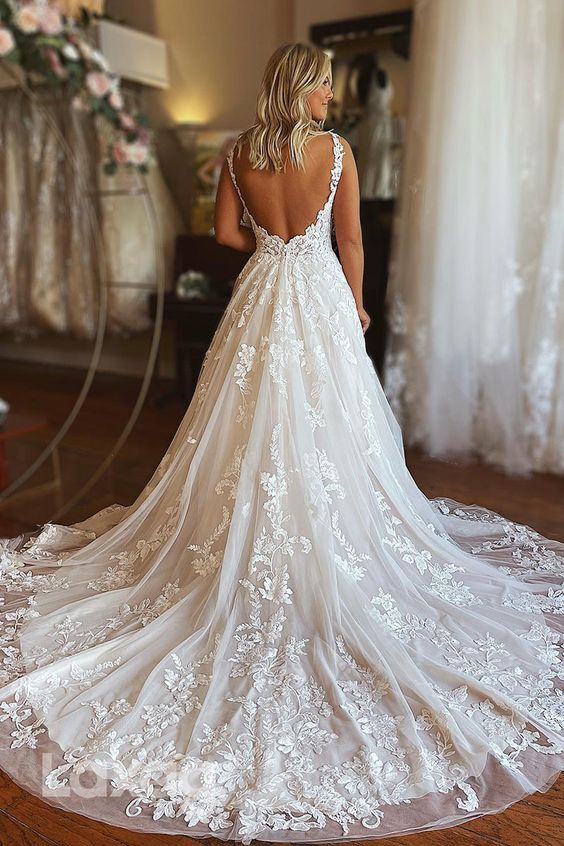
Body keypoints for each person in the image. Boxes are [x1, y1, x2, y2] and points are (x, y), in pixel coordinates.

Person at [0, 41, 562, 846]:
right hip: (322, 297)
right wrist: (357, 307)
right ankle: (324, 547)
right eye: (326, 83)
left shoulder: (237, 152)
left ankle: (238, 543)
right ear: (304, 88)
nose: (332, 96)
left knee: (237, 429)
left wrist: (271, 244)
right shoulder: (336, 152)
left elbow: (226, 236)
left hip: (262, 294)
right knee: (331, 431)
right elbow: (354, 242)